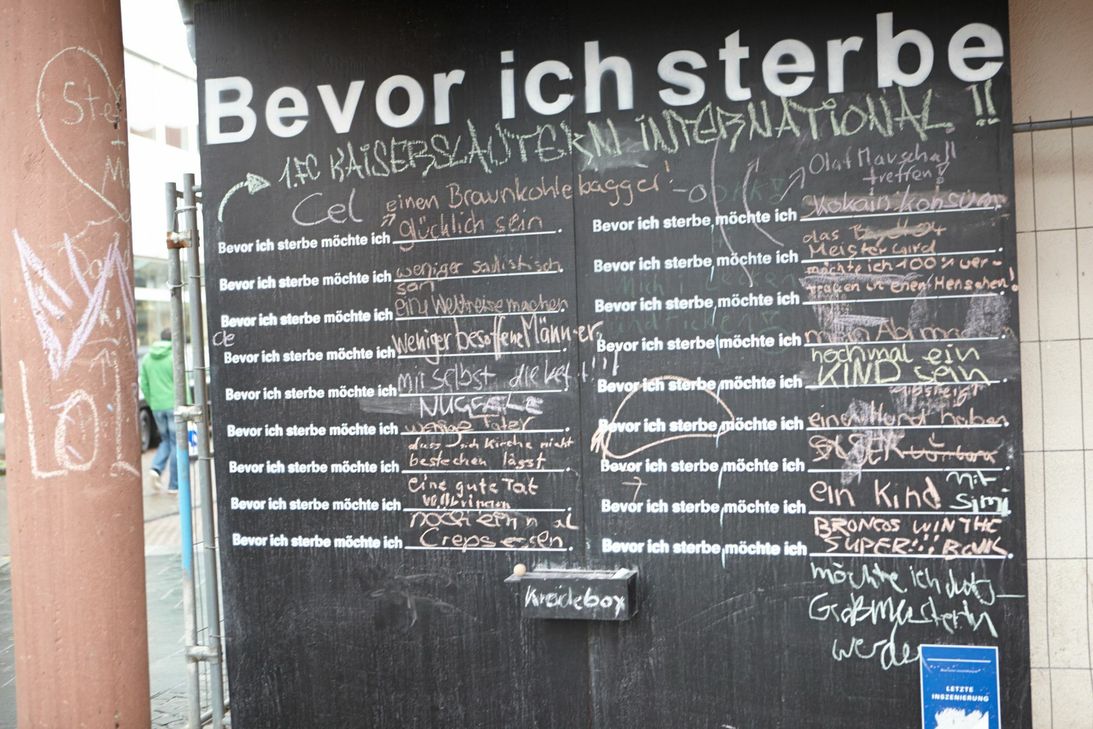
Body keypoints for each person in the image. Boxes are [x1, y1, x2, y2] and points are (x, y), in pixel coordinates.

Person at [140, 328, 177, 492]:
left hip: (157, 406)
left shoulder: (147, 359)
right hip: (174, 405)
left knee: (166, 441)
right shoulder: (174, 357)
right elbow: (181, 383)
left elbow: (144, 384)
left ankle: (155, 468)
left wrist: (151, 401)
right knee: (177, 444)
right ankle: (174, 485)